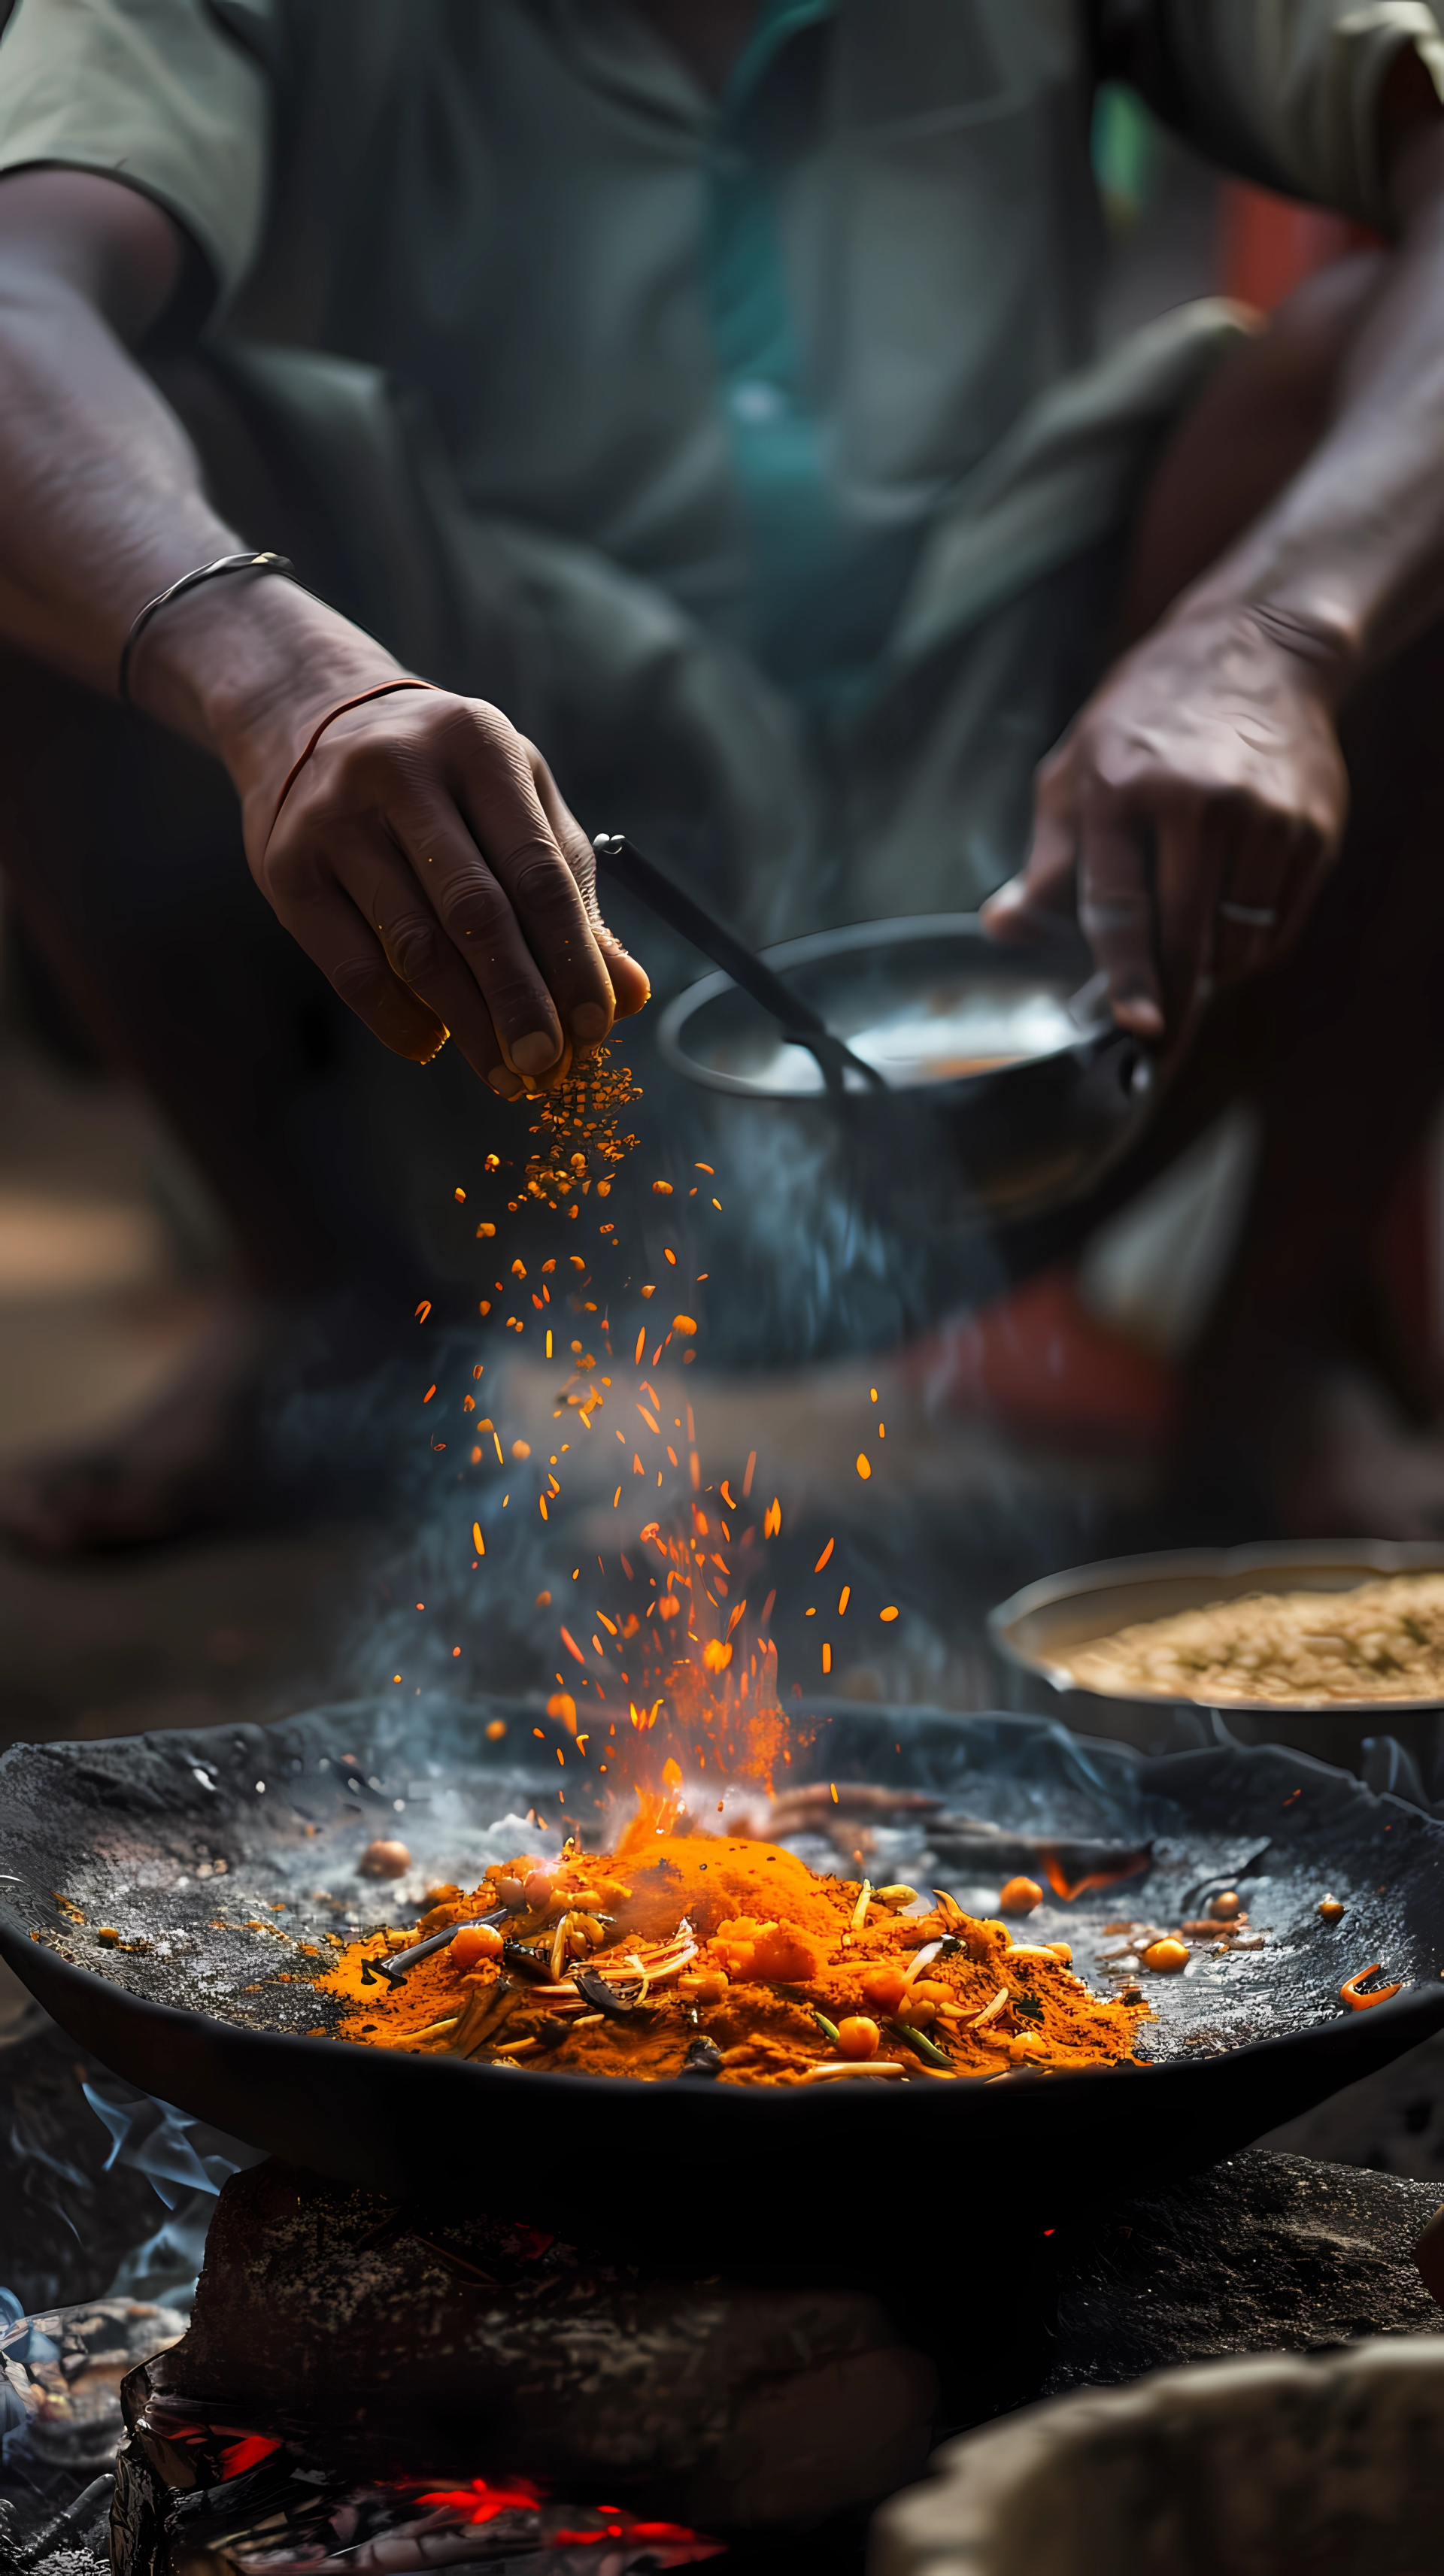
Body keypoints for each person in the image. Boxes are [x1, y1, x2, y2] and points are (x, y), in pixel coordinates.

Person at [0, 0, 1443, 1548]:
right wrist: (282, 684)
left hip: (1044, 877)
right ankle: (315, 1310)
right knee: (85, 510)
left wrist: (1271, 637)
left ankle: (1272, 1371)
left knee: (1374, 441)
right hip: (479, 950)